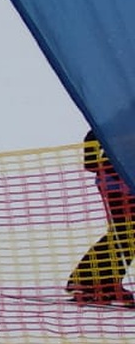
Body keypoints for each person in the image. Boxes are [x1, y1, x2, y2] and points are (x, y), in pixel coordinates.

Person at [67, 128, 135, 307]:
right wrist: (97, 164)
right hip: (117, 185)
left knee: (126, 235)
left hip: (124, 183)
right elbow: (93, 137)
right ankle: (89, 281)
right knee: (125, 233)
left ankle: (102, 281)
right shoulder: (117, 119)